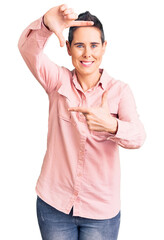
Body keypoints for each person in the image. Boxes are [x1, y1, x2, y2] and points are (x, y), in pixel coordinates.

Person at [18, 4, 146, 240]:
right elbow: (27, 49)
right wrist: (45, 24)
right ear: (68, 48)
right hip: (54, 204)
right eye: (79, 45)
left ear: (104, 47)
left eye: (94, 45)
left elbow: (139, 136)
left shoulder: (119, 91)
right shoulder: (57, 81)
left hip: (101, 212)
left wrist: (112, 125)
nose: (88, 53)